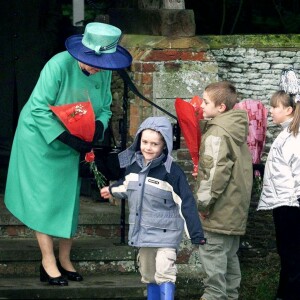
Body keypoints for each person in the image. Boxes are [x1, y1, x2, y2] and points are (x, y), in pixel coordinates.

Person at [4, 22, 132, 286]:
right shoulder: (57, 65)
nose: (97, 68)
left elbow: (105, 108)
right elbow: (39, 109)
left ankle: (65, 259)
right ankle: (47, 261)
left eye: (103, 63)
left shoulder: (104, 70)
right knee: (45, 199)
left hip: (77, 141)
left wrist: (97, 129)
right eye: (92, 62)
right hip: (41, 139)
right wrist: (68, 139)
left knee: (68, 200)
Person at [100, 116, 206, 300]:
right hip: (144, 231)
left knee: (165, 271)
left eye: (154, 144)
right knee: (148, 273)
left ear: (163, 146)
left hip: (167, 234)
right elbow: (126, 186)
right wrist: (111, 190)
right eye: (145, 142)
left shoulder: (172, 172)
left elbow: (186, 202)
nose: (148, 147)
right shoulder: (133, 166)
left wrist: (196, 234)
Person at [194, 81, 253, 300]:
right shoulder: (235, 130)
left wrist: (202, 205)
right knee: (229, 282)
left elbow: (213, 176)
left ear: (221, 108)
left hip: (218, 215)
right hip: (233, 213)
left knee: (214, 288)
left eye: (206, 101)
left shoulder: (218, 133)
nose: (200, 105)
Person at [0, 1, 62, 191]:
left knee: (32, 117)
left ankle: (27, 178)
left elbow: (54, 14)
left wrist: (45, 44)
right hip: (3, 58)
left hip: (32, 58)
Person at [257, 88, 300, 299]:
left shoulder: (295, 136)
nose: (270, 111)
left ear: (289, 109)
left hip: (292, 205)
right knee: (287, 253)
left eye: (275, 107)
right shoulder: (287, 133)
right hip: (285, 203)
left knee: (293, 255)